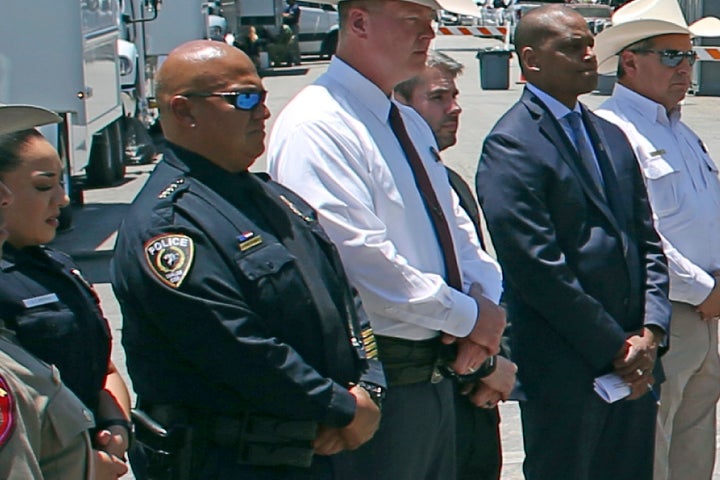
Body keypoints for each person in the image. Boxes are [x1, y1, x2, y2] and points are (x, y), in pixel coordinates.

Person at [110, 40, 384, 479]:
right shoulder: (169, 226)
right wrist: (340, 406)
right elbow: (235, 348)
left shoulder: (273, 198)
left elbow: (345, 305)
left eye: (262, 96)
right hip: (230, 461)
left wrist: (369, 387)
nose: (263, 112)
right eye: (244, 98)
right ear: (184, 112)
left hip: (314, 448)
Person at [267, 0, 506, 478]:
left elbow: (457, 230)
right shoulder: (318, 124)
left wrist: (484, 306)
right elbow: (360, 263)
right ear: (358, 22)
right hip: (384, 378)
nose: (429, 34)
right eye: (412, 20)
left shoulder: (406, 121)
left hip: (439, 372)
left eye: (431, 21)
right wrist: (469, 317)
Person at [475, 5, 671, 480]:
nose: (588, 54)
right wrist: (614, 347)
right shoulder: (513, 144)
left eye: (590, 42)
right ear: (530, 59)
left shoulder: (610, 136)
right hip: (567, 369)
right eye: (571, 46)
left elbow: (647, 239)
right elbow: (536, 266)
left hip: (635, 367)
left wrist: (652, 330)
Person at [594, 1, 720, 478]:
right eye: (671, 56)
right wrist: (704, 291)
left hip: (705, 316)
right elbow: (633, 234)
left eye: (690, 56)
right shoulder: (613, 130)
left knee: (693, 448)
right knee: (652, 449)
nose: (685, 67)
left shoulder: (682, 132)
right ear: (629, 61)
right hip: (662, 314)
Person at [394, 50, 516, 480]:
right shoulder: (395, 189)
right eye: (439, 97)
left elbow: (479, 277)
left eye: (456, 96)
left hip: (474, 398)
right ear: (400, 105)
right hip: (428, 392)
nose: (456, 108)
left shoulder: (449, 181)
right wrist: (483, 365)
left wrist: (491, 356)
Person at [0, 103, 128, 480]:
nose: (62, 198)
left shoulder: (58, 267)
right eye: (43, 186)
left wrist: (115, 425)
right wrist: (85, 468)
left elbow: (102, 368)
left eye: (60, 183)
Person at [282, 0, 301, 65]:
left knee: (294, 43)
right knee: (287, 44)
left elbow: (291, 16)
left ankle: (297, 60)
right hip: (288, 26)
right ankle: (289, 60)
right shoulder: (288, 7)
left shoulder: (295, 7)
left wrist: (283, 15)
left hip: (293, 26)